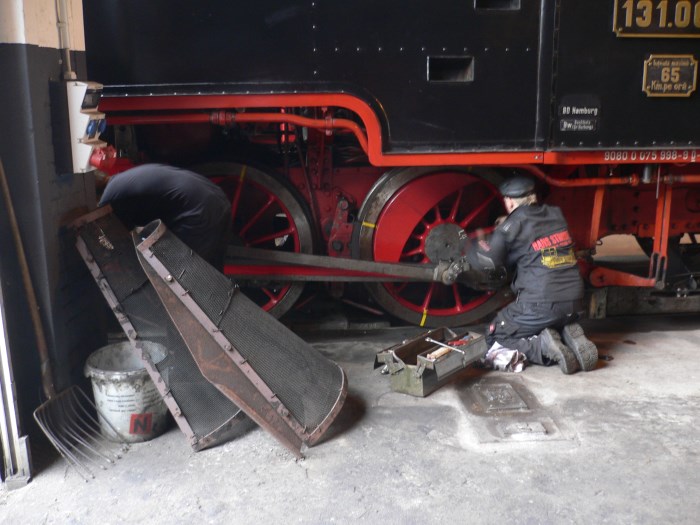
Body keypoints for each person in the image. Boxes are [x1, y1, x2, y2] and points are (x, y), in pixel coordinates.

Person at [466, 175, 598, 374]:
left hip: (541, 305)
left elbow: (490, 261)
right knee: (549, 317)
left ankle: (542, 347)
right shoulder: (555, 214)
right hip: (576, 302)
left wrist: (470, 247)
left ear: (510, 202)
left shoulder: (511, 226)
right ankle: (564, 331)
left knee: (495, 334)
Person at [98, 164, 231, 270]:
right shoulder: (120, 181)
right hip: (215, 197)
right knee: (213, 273)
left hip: (199, 210)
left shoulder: (110, 198)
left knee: (182, 273)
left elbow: (121, 241)